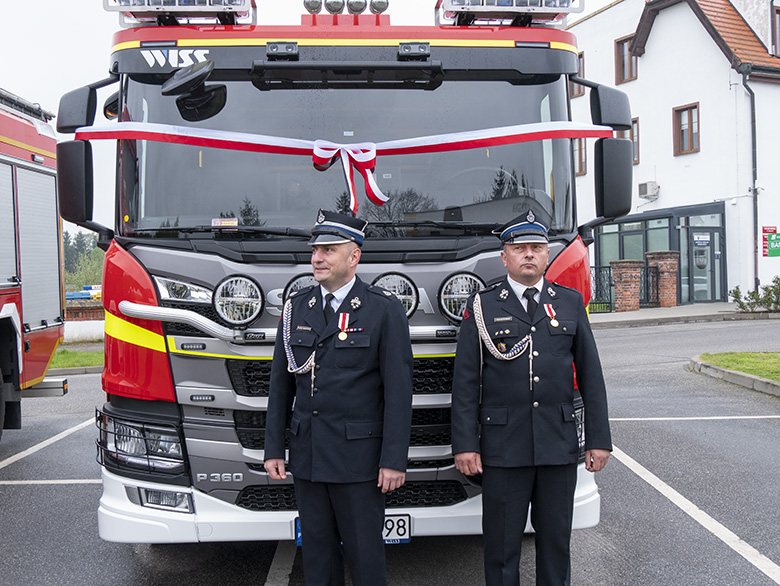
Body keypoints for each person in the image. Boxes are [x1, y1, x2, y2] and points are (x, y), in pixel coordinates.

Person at [451, 210, 612, 586]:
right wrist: (465, 444)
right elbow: (466, 383)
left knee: (556, 545)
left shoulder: (569, 302)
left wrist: (599, 439)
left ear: (546, 255)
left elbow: (591, 376)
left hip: (557, 444)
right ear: (504, 256)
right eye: (519, 248)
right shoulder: (483, 306)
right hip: (503, 447)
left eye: (536, 248)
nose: (528, 254)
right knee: (501, 548)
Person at [264, 209, 413, 586]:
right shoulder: (297, 307)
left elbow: (398, 392)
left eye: (328, 250)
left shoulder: (383, 308)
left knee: (366, 560)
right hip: (310, 458)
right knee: (317, 560)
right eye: (315, 250)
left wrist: (393, 460)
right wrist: (274, 449)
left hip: (359, 461)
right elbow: (280, 386)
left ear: (354, 256)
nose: (317, 258)